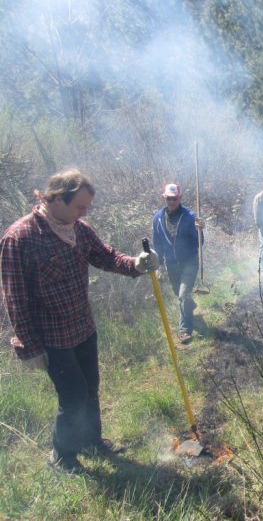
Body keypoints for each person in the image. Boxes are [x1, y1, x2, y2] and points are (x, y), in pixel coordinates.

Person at [0, 168, 159, 475]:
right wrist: (29, 346)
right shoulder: (20, 238)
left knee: (90, 389)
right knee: (72, 397)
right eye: (80, 207)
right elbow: (15, 301)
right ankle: (61, 456)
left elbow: (106, 256)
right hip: (53, 339)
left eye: (86, 208)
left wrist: (136, 264)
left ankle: (90, 440)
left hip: (83, 328)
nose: (84, 213)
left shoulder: (78, 229)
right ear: (57, 199)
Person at [152, 184, 205, 345]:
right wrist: (158, 265)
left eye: (174, 198)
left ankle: (184, 331)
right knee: (179, 293)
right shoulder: (158, 218)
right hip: (171, 264)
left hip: (189, 261)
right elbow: (158, 243)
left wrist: (200, 230)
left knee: (182, 295)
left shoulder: (190, 216)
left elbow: (199, 243)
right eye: (169, 198)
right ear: (164, 198)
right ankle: (190, 305)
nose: (172, 201)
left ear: (180, 198)